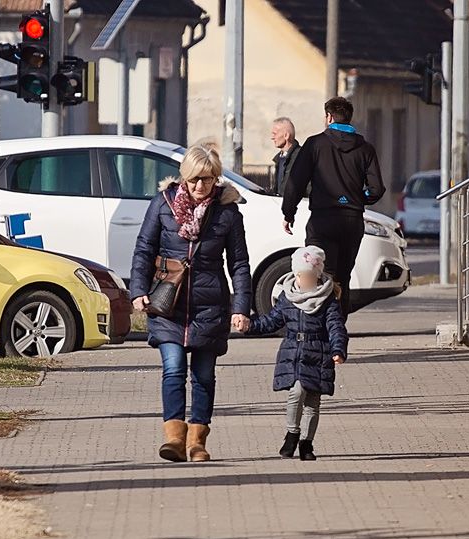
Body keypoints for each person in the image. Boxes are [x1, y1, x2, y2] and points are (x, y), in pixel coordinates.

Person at [130, 144, 253, 463]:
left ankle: (197, 441)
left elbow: (239, 263)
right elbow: (144, 248)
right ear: (185, 177)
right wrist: (138, 290)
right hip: (168, 301)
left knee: (204, 375)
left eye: (208, 180)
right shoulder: (163, 204)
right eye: (196, 179)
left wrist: (241, 308)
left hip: (210, 305)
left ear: (216, 180)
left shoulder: (227, 212)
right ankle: (174, 438)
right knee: (172, 369)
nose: (201, 187)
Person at [281, 96, 385, 316]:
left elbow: (295, 182)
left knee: (319, 275)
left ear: (328, 117)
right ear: (349, 117)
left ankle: (320, 334)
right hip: (352, 221)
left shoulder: (315, 144)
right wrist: (357, 198)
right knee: (342, 278)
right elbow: (376, 189)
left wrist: (288, 212)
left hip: (322, 220)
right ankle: (338, 336)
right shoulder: (365, 148)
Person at [248, 245, 348, 462]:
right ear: (295, 274)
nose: (305, 280)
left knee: (313, 401)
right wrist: (250, 326)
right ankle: (292, 433)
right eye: (302, 276)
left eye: (310, 276)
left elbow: (336, 326)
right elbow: (271, 321)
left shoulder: (327, 299)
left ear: (318, 275)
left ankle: (307, 443)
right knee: (296, 391)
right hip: (294, 352)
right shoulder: (288, 297)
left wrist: (338, 349)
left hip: (319, 353)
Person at [268, 117, 301, 197]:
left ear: (286, 135)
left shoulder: (301, 157)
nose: (272, 137)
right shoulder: (279, 159)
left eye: (275, 134)